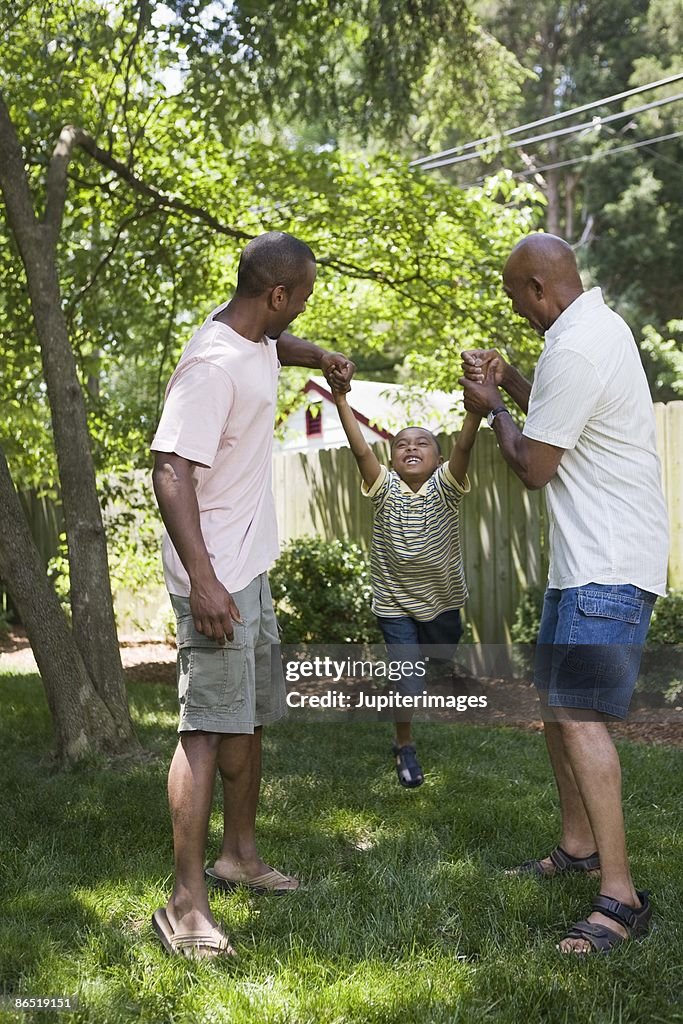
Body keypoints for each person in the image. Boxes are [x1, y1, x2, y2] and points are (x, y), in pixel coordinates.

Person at [460, 233, 669, 955]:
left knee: (581, 719)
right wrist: (513, 380)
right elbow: (556, 413)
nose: (514, 309)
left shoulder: (576, 348)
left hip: (605, 563)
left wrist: (491, 408)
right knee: (557, 710)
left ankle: (620, 896)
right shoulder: (588, 333)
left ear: (539, 291)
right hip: (584, 561)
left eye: (515, 296)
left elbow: (533, 465)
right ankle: (577, 847)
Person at [150, 231, 355, 958]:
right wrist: (203, 579)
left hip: (247, 568)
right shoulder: (211, 367)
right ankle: (183, 905)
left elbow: (275, 349)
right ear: (275, 296)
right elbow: (168, 468)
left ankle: (238, 855)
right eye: (298, 300)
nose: (299, 312)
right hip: (217, 576)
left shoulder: (254, 337)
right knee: (204, 728)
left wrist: (319, 355)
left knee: (247, 718)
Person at [331, 384, 481, 787]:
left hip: (443, 602)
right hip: (394, 604)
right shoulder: (384, 489)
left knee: (440, 657)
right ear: (392, 458)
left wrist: (475, 410)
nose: (410, 447)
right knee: (410, 680)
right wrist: (342, 400)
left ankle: (424, 671)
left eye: (422, 443)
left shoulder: (446, 488)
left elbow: (465, 448)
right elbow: (361, 449)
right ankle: (404, 743)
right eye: (401, 444)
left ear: (438, 459)